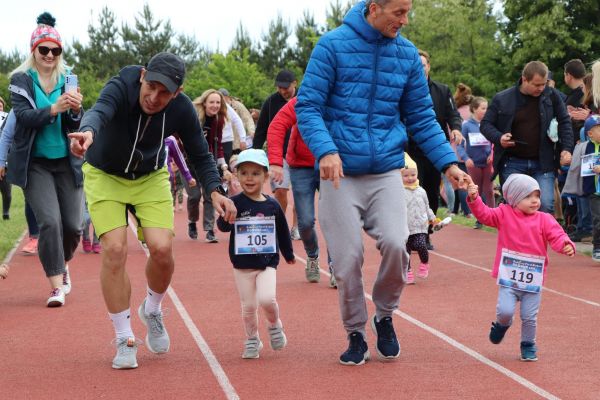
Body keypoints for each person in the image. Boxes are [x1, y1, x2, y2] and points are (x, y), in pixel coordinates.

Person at [296, 0, 467, 366]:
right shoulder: (332, 45)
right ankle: (356, 331)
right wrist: (326, 150)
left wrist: (449, 164)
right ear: (374, 8)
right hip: (340, 173)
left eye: (408, 13)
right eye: (398, 13)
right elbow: (308, 106)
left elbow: (421, 117)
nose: (404, 21)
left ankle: (384, 315)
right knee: (347, 259)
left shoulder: (405, 55)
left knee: (396, 244)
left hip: (387, 169)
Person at [68, 52, 236, 370]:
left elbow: (201, 154)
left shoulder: (182, 109)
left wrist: (215, 191)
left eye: (165, 93)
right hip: (105, 175)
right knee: (115, 249)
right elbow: (100, 111)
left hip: (150, 177)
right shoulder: (122, 86)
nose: (155, 97)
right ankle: (124, 337)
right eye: (152, 87)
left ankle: (153, 309)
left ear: (178, 93)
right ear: (143, 75)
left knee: (161, 249)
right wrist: (88, 133)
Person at [7, 12, 84, 307]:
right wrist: (54, 108)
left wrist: (75, 109)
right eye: (44, 49)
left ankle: (61, 262)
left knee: (74, 226)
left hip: (67, 161)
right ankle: (55, 285)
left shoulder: (68, 79)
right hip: (35, 163)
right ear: (34, 51)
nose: (50, 55)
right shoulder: (20, 81)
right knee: (50, 223)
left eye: (55, 50)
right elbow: (24, 118)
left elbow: (76, 123)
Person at [467, 174, 575, 361]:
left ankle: (528, 344)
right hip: (509, 278)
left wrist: (565, 244)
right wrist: (475, 199)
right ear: (514, 199)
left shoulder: (545, 219)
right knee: (505, 311)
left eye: (537, 196)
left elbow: (557, 235)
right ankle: (502, 324)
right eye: (528, 197)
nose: (535, 201)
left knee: (529, 316)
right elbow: (485, 215)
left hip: (533, 280)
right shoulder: (503, 214)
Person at [216, 149, 295, 359]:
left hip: (267, 262)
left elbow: (283, 231)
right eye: (244, 173)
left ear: (266, 176)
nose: (249, 178)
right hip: (242, 265)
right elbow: (223, 228)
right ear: (237, 176)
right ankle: (252, 339)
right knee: (249, 307)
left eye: (255, 173)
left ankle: (274, 325)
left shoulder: (272, 205)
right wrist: (226, 217)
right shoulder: (235, 203)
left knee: (267, 299)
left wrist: (288, 254)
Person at [480, 60, 574, 214]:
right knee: (514, 207)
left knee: (545, 204)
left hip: (544, 162)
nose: (541, 88)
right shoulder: (502, 98)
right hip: (512, 162)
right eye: (537, 85)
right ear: (524, 79)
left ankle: (539, 238)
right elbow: (485, 124)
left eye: (544, 84)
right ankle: (516, 238)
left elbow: (564, 122)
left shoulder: (552, 96)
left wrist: (567, 149)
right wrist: (499, 138)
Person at [268, 96, 336, 287]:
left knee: (334, 219)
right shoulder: (302, 100)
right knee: (305, 222)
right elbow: (277, 125)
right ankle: (312, 256)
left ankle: (335, 267)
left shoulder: (342, 96)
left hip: (331, 163)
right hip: (300, 166)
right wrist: (275, 161)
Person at [408, 49, 464, 250]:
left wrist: (456, 129)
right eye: (416, 65)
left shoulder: (441, 90)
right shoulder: (406, 90)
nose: (420, 69)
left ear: (428, 66)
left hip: (433, 150)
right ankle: (412, 233)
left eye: (423, 65)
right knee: (413, 192)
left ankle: (426, 233)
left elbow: (453, 114)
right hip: (410, 151)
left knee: (430, 193)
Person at [252, 70, 300, 239]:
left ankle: (297, 226)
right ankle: (281, 225)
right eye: (279, 88)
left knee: (301, 193)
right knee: (280, 190)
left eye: (285, 87)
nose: (282, 91)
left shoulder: (306, 97)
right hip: (279, 155)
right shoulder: (271, 102)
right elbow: (261, 130)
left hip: (301, 154)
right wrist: (254, 154)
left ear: (295, 83)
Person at [190, 89, 229, 243]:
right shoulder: (193, 117)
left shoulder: (218, 120)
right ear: (204, 103)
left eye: (218, 102)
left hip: (207, 162)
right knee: (194, 196)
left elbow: (218, 144)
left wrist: (224, 166)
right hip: (190, 162)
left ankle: (209, 230)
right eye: (211, 102)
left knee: (210, 195)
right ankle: (192, 221)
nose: (215, 105)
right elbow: (178, 140)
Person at [0, 109, 41, 254]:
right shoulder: (18, 108)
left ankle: (54, 237)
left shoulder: (58, 99)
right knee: (30, 200)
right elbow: (6, 135)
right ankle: (34, 237)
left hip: (57, 162)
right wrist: (2, 160)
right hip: (29, 162)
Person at [562, 115, 600, 261]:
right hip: (593, 191)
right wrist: (567, 162)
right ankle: (597, 246)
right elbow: (575, 166)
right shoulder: (583, 147)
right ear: (590, 133)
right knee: (597, 220)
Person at [457, 96, 494, 229]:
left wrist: (491, 154)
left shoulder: (489, 123)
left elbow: (494, 141)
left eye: (486, 108)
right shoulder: (466, 125)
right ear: (474, 109)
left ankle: (493, 217)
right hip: (474, 163)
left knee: (489, 190)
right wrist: (466, 158)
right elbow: (460, 145)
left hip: (487, 162)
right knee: (476, 189)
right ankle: (479, 218)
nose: (486, 110)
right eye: (483, 108)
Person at [402, 155, 437, 284]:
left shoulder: (421, 191)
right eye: (406, 175)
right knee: (405, 252)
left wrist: (432, 218)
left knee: (421, 245)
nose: (410, 178)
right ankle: (407, 271)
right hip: (404, 227)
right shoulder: (398, 191)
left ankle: (424, 262)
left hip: (420, 227)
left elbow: (427, 207)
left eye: (413, 174)